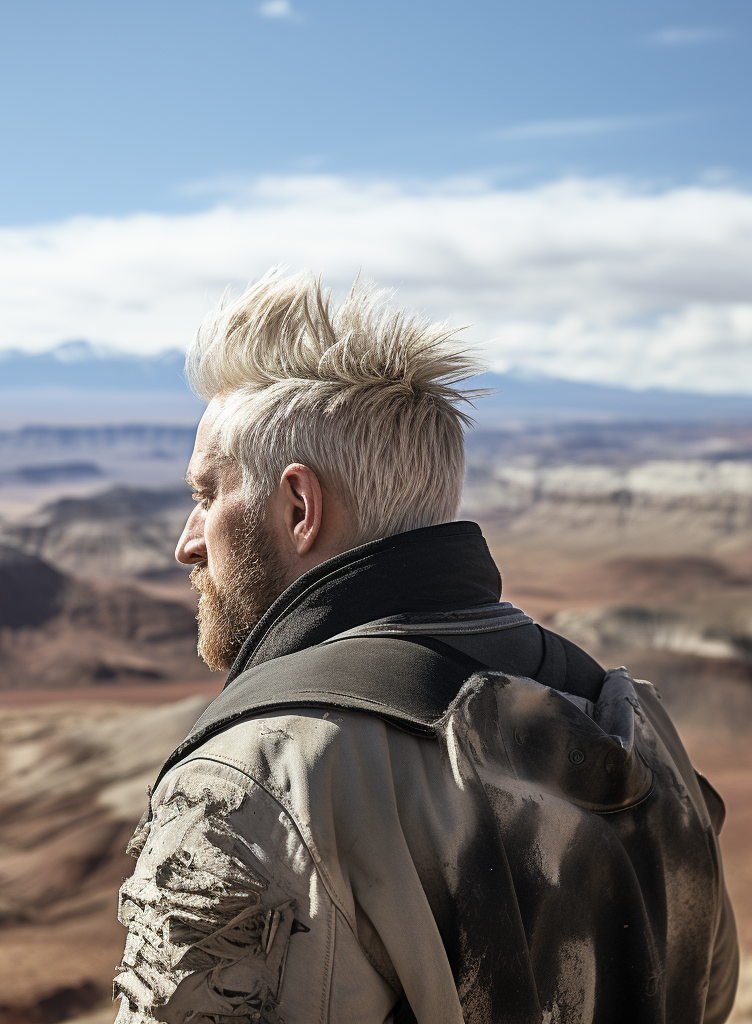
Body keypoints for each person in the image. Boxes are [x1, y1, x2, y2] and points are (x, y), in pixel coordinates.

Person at [113, 269, 739, 1024]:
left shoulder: (260, 778)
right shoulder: (638, 731)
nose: (188, 544)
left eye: (206, 496)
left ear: (299, 507)